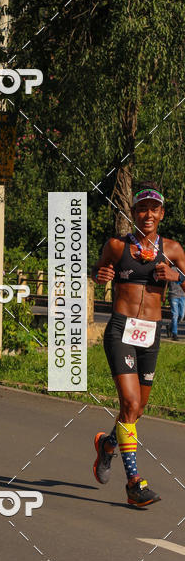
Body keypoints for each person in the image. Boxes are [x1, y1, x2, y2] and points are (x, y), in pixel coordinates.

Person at [91, 182, 185, 506]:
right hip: (121, 329)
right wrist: (101, 274)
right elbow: (98, 270)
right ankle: (134, 483)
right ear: (133, 213)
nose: (147, 214)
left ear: (161, 214)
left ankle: (107, 445)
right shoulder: (117, 246)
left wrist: (177, 278)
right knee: (130, 404)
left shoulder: (172, 250)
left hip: (152, 333)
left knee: (137, 410)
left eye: (153, 209)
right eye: (141, 208)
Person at [167, 276, 185, 341]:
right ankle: (174, 334)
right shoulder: (171, 269)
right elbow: (166, 283)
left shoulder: (183, 269)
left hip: (183, 296)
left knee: (181, 315)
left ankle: (171, 326)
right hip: (173, 295)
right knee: (175, 315)